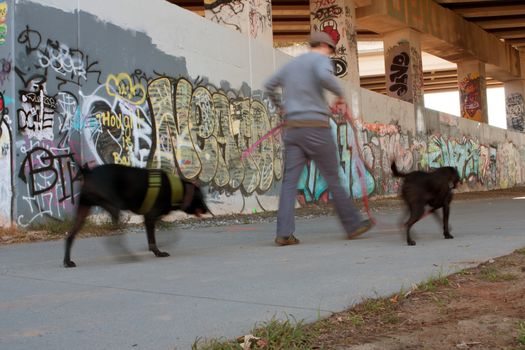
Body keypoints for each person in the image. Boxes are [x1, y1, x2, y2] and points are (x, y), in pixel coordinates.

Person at [264, 31, 372, 246]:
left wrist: (282, 108)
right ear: (324, 45)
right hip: (316, 129)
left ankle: (284, 233)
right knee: (333, 178)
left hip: (293, 129)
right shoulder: (320, 59)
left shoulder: (291, 65)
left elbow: (269, 85)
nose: (330, 54)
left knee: (289, 183)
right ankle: (353, 225)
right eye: (330, 49)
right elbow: (324, 77)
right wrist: (339, 94)